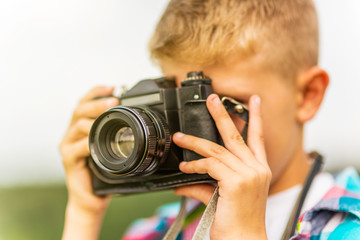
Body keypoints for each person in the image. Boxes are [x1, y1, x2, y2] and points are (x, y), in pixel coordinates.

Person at [59, 0, 360, 239]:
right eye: (182, 107)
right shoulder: (156, 231)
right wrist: (83, 216)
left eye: (225, 105)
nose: (197, 134)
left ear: (308, 95)